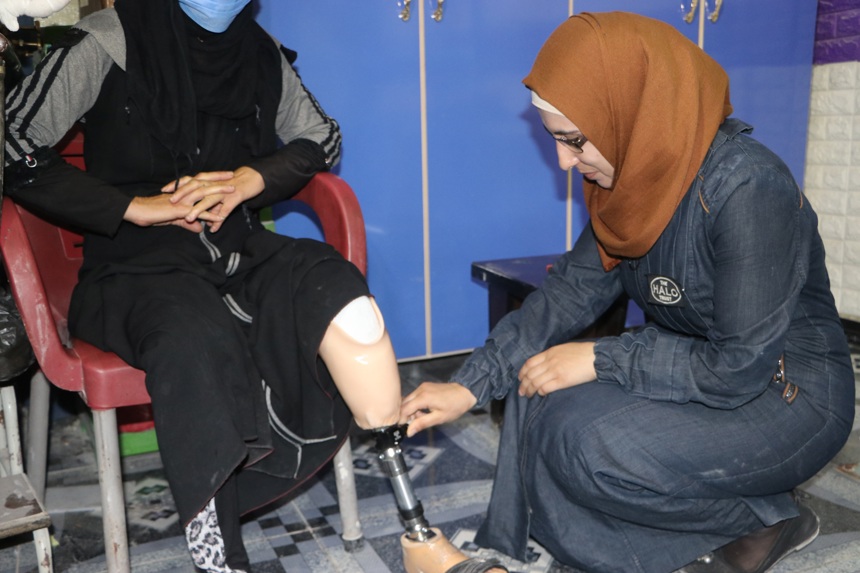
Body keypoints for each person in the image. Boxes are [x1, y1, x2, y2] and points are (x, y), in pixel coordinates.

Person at [3, 2, 511, 572]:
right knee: (192, 338)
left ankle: (417, 533)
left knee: (340, 295)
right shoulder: (107, 40)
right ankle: (221, 557)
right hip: (137, 267)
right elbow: (12, 139)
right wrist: (134, 208)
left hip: (241, 251)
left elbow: (322, 136)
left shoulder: (257, 51)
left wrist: (252, 179)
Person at [401, 11, 856, 573]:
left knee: (590, 449)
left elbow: (738, 366)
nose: (567, 163)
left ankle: (758, 521)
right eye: (556, 142)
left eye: (574, 141)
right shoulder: (630, 177)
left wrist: (600, 356)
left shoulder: (747, 186)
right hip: (699, 365)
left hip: (786, 393)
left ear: (633, 112)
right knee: (537, 396)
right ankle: (743, 521)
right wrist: (469, 386)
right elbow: (570, 292)